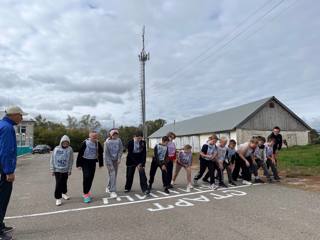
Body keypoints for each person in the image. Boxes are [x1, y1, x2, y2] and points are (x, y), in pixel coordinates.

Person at [0, 106, 26, 240]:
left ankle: (0, 225)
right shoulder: (7, 128)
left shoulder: (2, 124)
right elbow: (6, 151)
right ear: (14, 115)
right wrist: (9, 171)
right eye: (21, 116)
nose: (22, 118)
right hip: (3, 169)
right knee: (2, 199)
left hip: (2, 168)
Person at [76, 131, 103, 203]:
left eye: (95, 136)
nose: (94, 138)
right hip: (85, 161)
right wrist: (78, 164)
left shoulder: (97, 143)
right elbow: (80, 153)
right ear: (90, 136)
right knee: (86, 176)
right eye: (93, 136)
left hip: (92, 161)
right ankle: (85, 194)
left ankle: (87, 191)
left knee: (91, 177)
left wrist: (101, 163)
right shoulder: (85, 143)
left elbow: (100, 153)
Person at [50, 135, 74, 206]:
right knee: (58, 184)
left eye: (67, 142)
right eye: (64, 142)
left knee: (64, 182)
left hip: (66, 170)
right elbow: (52, 159)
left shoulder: (70, 149)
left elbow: (71, 160)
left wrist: (70, 169)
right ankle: (58, 198)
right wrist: (52, 169)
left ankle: (64, 193)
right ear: (61, 142)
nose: (65, 144)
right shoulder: (56, 149)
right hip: (57, 170)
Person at [104, 129, 123, 199]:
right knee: (112, 173)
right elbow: (106, 154)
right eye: (114, 134)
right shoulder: (107, 142)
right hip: (108, 160)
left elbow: (121, 149)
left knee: (113, 175)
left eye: (116, 134)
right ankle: (112, 191)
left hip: (115, 160)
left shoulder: (119, 140)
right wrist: (109, 163)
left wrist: (119, 158)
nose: (115, 136)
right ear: (111, 135)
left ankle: (108, 187)